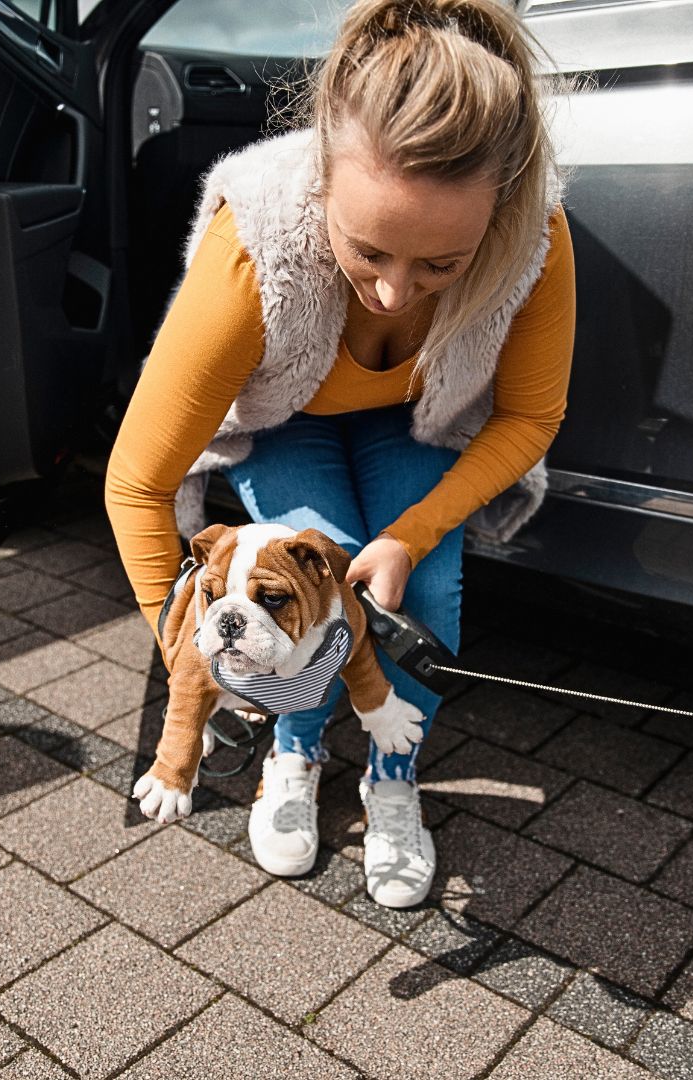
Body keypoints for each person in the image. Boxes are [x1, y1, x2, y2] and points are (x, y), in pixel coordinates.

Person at [105, 0, 575, 908]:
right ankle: (292, 752)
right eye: (367, 251)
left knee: (423, 589)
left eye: (443, 265)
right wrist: (193, 654)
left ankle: (392, 776)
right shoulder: (257, 243)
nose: (398, 294)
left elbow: (527, 420)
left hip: (419, 420)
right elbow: (137, 481)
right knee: (312, 571)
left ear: (503, 212)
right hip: (285, 419)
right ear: (321, 181)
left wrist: (412, 533)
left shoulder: (535, 239)